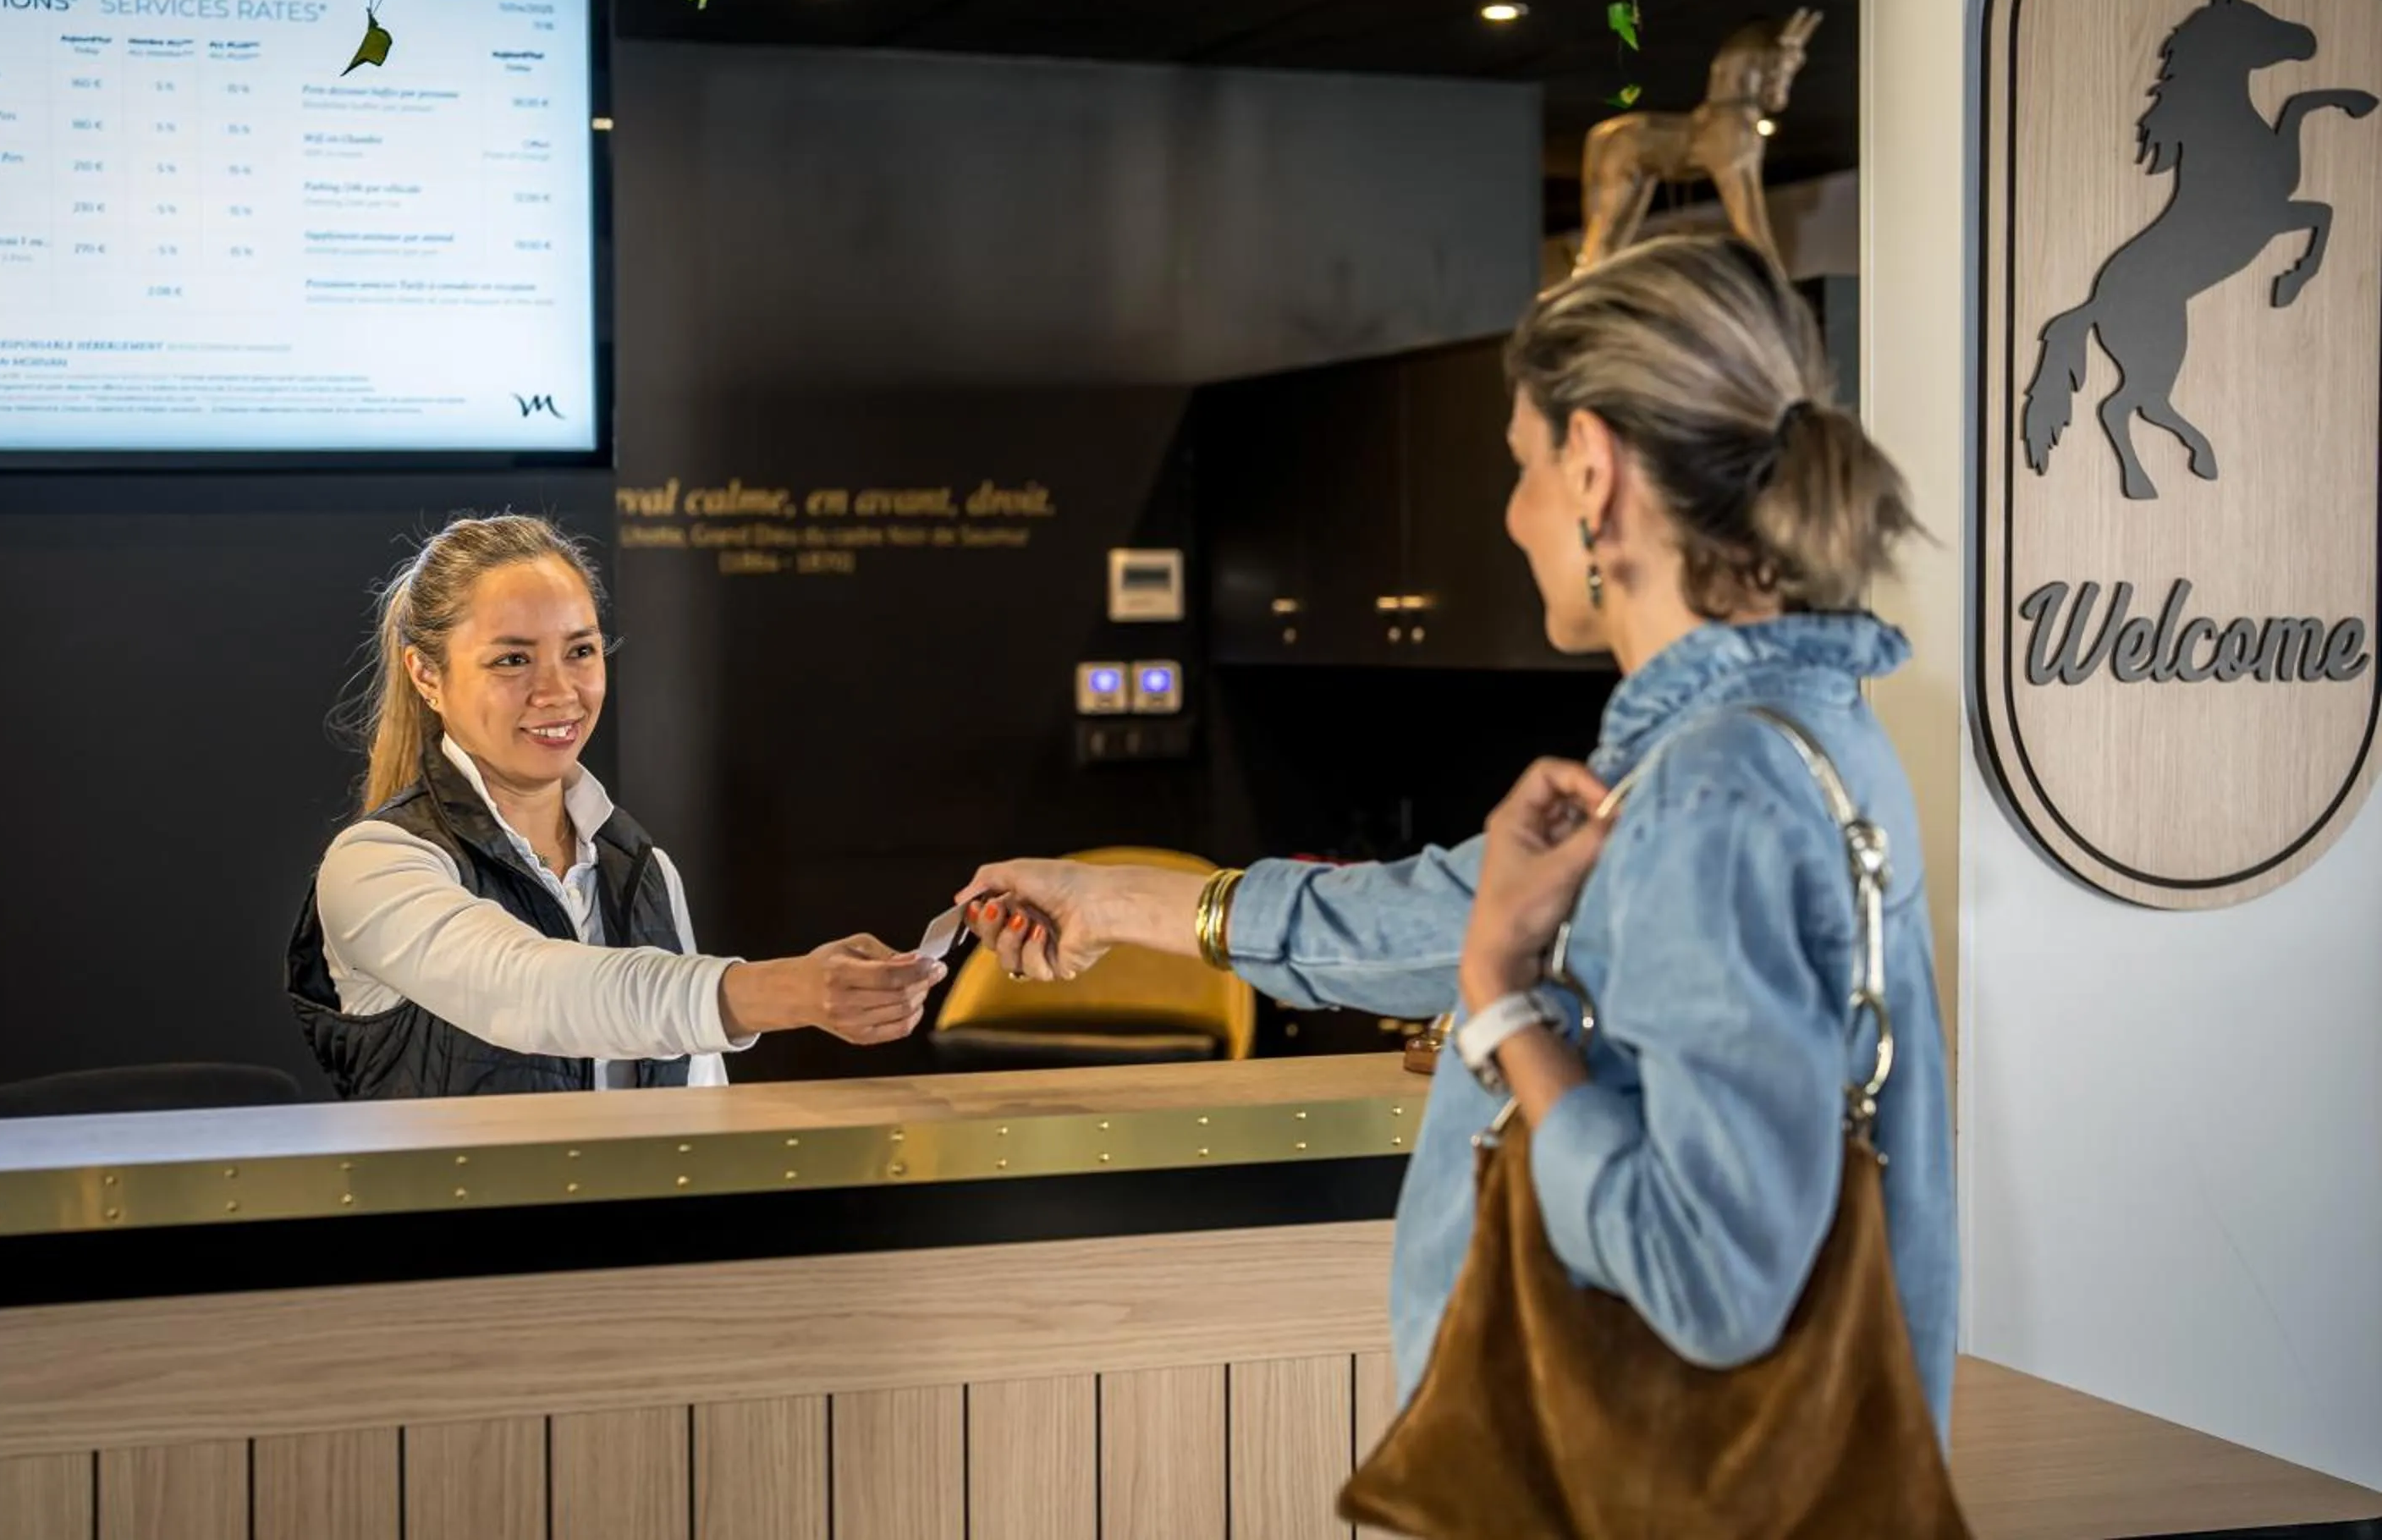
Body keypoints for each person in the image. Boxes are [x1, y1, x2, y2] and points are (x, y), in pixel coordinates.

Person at [956, 234, 1958, 1437]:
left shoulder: (1715, 792)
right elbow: (1447, 911)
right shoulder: (1787, 736)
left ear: (1591, 470)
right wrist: (1117, 902)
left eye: (1522, 466)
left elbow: (1717, 1280)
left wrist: (1501, 1009)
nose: (1513, 513)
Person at [286, 514, 940, 1099]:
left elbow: (697, 1094)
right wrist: (788, 990)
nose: (558, 691)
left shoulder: (642, 867)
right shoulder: (375, 865)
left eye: (580, 651)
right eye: (513, 659)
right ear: (427, 675)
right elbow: (534, 991)